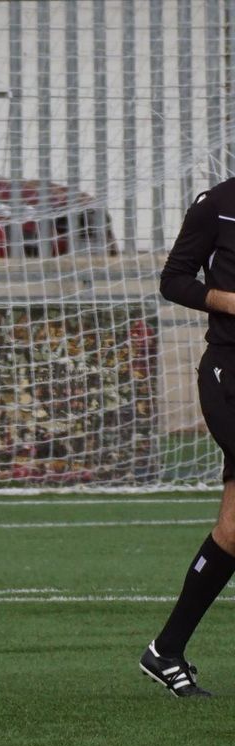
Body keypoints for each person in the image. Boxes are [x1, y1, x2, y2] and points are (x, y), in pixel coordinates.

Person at [140, 178, 235, 697]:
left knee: (234, 530)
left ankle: (165, 650)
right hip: (229, 375)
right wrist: (227, 300)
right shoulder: (217, 205)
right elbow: (174, 280)